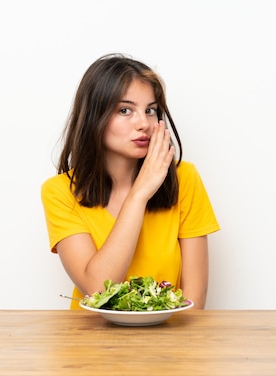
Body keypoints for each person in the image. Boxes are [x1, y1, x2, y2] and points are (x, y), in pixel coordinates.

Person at [41, 53, 220, 309]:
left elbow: (194, 301)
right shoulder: (59, 191)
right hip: (89, 344)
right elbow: (96, 290)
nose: (144, 124)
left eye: (150, 110)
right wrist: (139, 195)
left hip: (168, 343)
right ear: (94, 117)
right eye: (125, 110)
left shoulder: (185, 179)